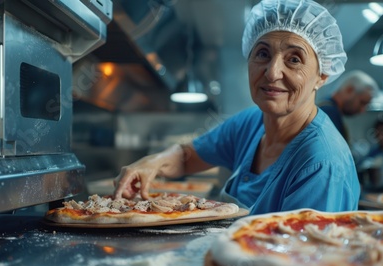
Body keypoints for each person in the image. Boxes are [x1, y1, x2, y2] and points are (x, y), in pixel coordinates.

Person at [113, 0, 360, 214]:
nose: (273, 73)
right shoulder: (252, 122)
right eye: (263, 54)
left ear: (322, 75)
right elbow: (187, 157)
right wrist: (152, 163)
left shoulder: (321, 164)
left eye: (294, 59)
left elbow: (302, 260)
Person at [318, 70, 379, 143]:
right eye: (362, 103)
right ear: (349, 90)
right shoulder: (329, 113)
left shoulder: (328, 109)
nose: (362, 110)